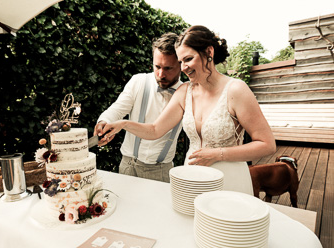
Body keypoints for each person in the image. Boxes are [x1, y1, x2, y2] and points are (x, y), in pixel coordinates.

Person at [100, 25, 276, 195]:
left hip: (228, 181)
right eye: (181, 61)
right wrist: (122, 124)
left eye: (188, 59)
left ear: (209, 52)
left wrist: (218, 154)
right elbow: (154, 130)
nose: (184, 67)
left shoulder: (236, 90)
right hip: (191, 181)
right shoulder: (184, 91)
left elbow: (267, 145)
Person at [94, 32, 183, 183]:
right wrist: (104, 121)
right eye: (157, 66)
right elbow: (118, 108)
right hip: (127, 165)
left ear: (181, 64)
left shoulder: (186, 92)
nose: (161, 74)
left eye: (168, 68)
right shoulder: (138, 81)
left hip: (160, 170)